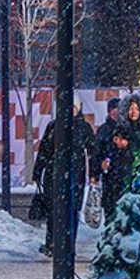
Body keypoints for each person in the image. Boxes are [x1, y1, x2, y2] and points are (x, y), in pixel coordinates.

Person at [32, 101, 93, 257]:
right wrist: (37, 172)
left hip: (75, 176)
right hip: (54, 174)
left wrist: (94, 172)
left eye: (72, 107)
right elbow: (44, 150)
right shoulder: (53, 126)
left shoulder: (83, 127)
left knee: (72, 211)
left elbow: (93, 150)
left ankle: (68, 245)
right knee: (54, 210)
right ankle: (52, 243)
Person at [96, 94, 140, 218]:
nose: (133, 112)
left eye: (136, 109)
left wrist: (129, 145)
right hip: (118, 177)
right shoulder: (120, 129)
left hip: (136, 177)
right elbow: (109, 151)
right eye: (130, 109)